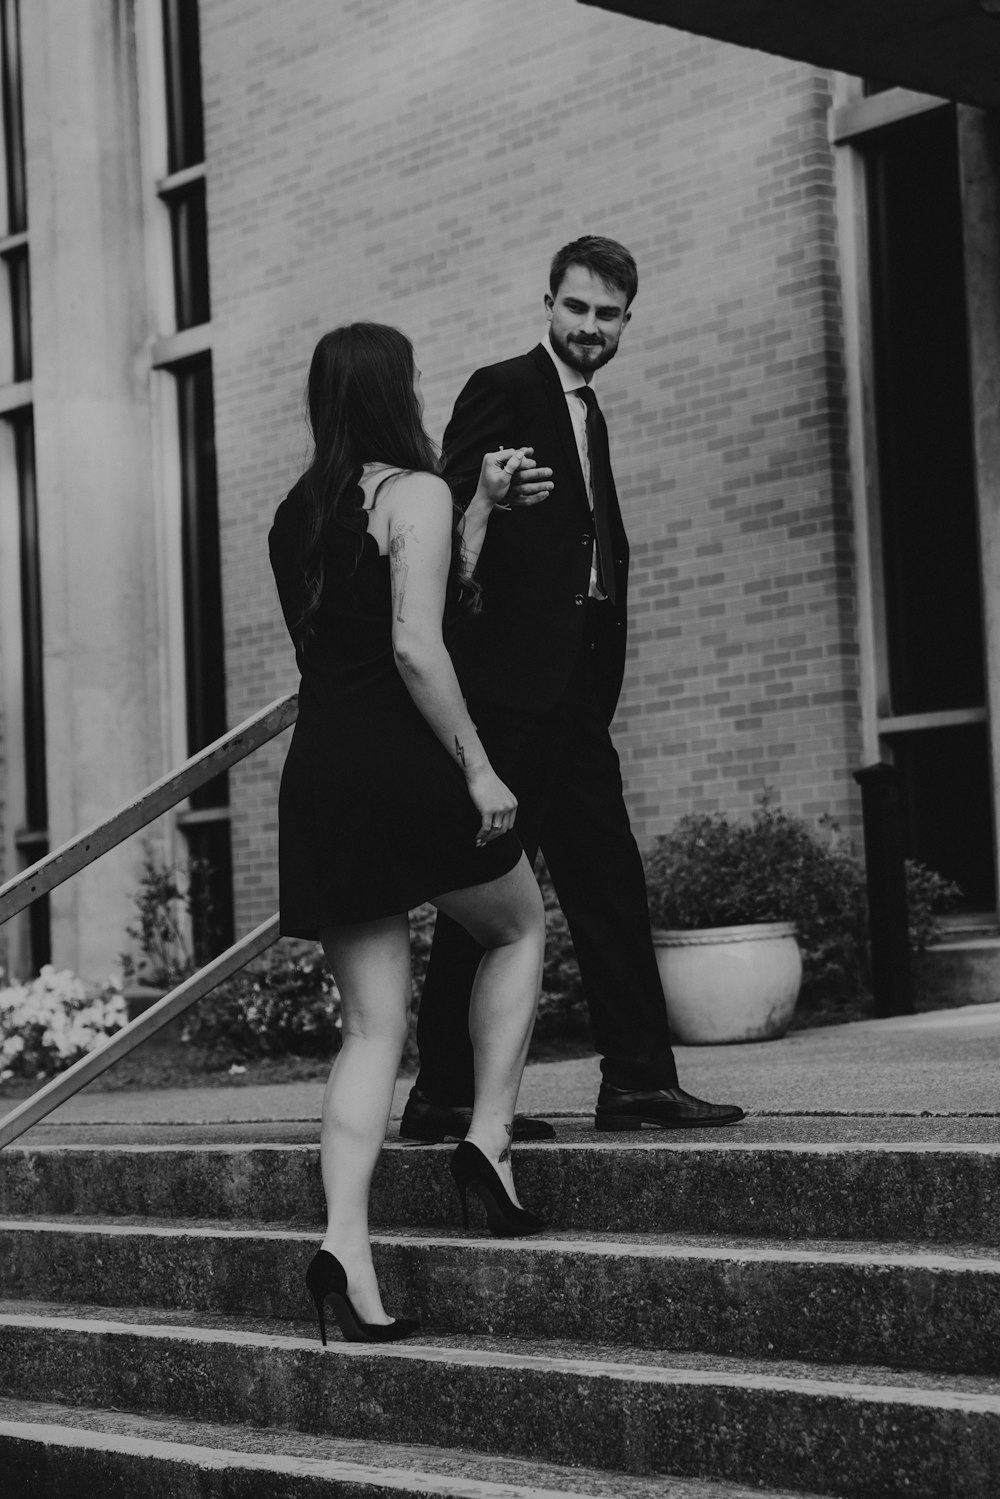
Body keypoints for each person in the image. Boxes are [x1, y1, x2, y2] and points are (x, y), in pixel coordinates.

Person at [401, 236, 745, 1141]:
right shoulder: (506, 387)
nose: (591, 327)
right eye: (577, 308)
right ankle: (441, 1093)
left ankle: (636, 1080)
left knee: (608, 883)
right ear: (546, 304)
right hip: (512, 693)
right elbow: (440, 514)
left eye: (608, 314)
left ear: (629, 320)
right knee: (488, 892)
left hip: (577, 689)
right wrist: (485, 490)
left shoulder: (592, 412)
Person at [269, 323, 548, 1346]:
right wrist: (478, 765)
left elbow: (371, 618)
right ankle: (489, 1136)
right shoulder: (413, 491)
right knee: (518, 927)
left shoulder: (295, 515)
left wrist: (473, 508)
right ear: (400, 391)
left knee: (370, 1030)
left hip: (321, 772)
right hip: (406, 762)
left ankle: (346, 1249)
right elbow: (415, 641)